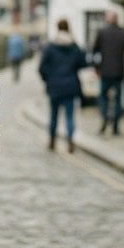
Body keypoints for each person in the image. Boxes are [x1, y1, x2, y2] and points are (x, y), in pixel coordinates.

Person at [38, 18, 88, 153]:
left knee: (53, 115)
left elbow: (42, 67)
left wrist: (48, 79)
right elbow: (83, 63)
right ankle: (70, 142)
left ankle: (52, 141)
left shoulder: (50, 47)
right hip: (70, 85)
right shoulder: (74, 46)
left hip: (54, 86)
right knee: (70, 116)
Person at [91, 10, 124, 134]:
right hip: (119, 72)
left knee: (103, 98)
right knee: (118, 99)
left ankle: (105, 117)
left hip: (105, 71)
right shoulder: (122, 33)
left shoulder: (102, 32)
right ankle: (115, 125)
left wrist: (96, 68)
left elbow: (95, 51)